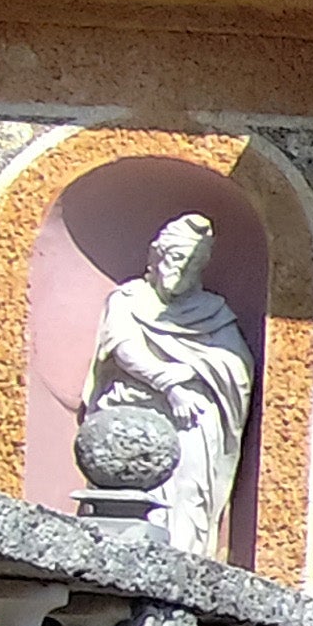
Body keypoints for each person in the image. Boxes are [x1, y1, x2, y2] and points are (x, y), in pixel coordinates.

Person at [82, 212, 255, 560]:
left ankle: (186, 560)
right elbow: (122, 348)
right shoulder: (129, 299)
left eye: (192, 264)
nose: (180, 271)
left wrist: (193, 368)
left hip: (192, 421)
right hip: (138, 410)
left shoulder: (213, 311)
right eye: (175, 259)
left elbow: (236, 366)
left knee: (189, 494)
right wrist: (171, 382)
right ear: (156, 256)